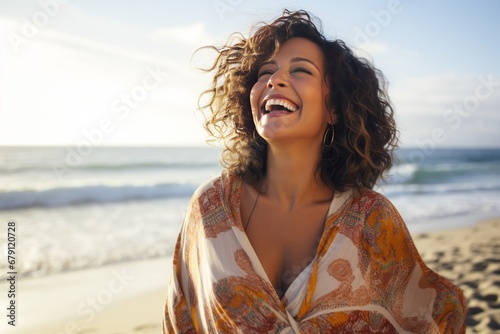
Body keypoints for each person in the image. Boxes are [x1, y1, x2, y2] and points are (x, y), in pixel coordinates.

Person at [163, 9, 466, 333]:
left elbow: (437, 314)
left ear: (334, 108)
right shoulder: (211, 208)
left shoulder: (371, 219)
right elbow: (180, 319)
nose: (274, 80)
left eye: (300, 71)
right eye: (265, 71)